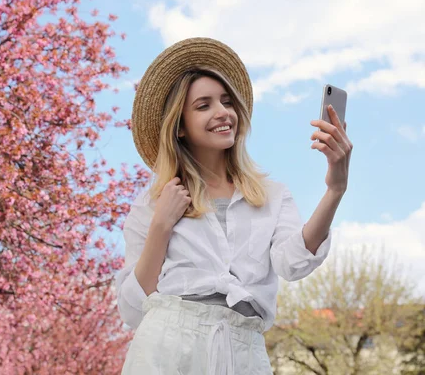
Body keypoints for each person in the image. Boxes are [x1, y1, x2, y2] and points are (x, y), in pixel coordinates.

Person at [115, 37, 352, 375]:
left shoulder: (271, 195)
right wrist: (161, 226)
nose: (222, 112)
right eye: (204, 105)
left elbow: (294, 263)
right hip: (168, 347)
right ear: (180, 126)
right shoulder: (156, 201)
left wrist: (335, 188)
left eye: (226, 101)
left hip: (244, 349)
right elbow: (132, 308)